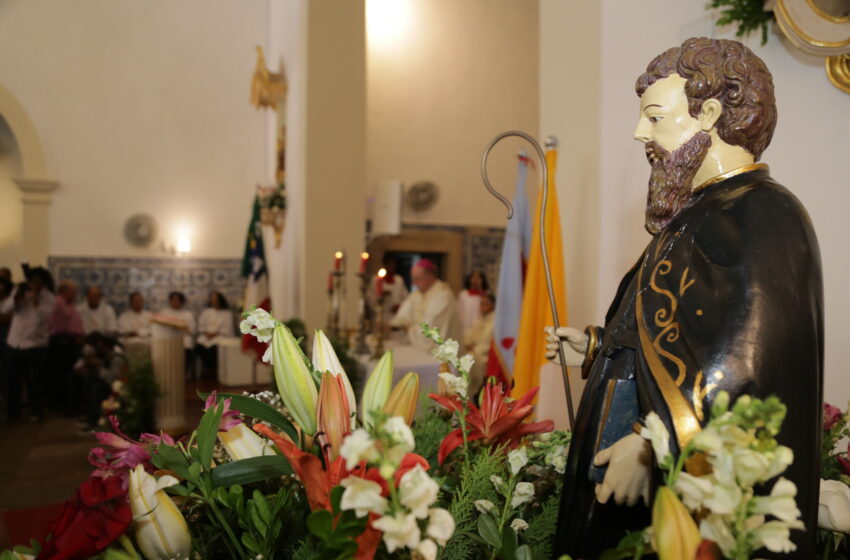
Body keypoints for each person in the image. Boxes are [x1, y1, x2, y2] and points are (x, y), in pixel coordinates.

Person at [546, 38, 822, 558]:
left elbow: (749, 364)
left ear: (711, 114)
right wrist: (600, 347)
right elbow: (685, 333)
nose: (638, 133)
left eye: (654, 117)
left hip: (677, 494)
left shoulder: (763, 215)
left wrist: (656, 446)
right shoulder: (699, 215)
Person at [6, 267, 56, 422]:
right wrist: (17, 297)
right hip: (14, 342)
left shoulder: (49, 298)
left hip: (35, 345)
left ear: (44, 283)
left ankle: (37, 412)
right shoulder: (20, 291)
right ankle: (13, 413)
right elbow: (5, 308)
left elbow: (43, 316)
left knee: (35, 381)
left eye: (36, 282)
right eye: (31, 281)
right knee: (12, 380)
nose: (33, 284)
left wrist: (35, 298)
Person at [390, 259, 461, 352]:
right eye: (413, 278)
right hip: (417, 350)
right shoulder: (416, 294)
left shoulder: (443, 296)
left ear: (430, 276)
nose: (413, 283)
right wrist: (395, 324)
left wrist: (408, 328)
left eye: (417, 278)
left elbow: (430, 334)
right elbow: (402, 318)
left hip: (440, 356)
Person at [74, 333, 128, 431]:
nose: (97, 350)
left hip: (118, 388)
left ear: (106, 347)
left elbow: (114, 380)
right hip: (107, 386)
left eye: (99, 347)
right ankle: (92, 417)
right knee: (87, 381)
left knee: (97, 387)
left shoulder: (117, 358)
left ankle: (96, 421)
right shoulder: (104, 356)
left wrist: (98, 366)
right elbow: (77, 368)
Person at [47, 279, 85, 413]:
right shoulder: (57, 303)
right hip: (62, 342)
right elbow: (59, 325)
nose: (75, 294)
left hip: (71, 342)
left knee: (70, 374)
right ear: (65, 291)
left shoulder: (69, 304)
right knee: (62, 375)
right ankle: (62, 405)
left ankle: (70, 403)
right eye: (73, 291)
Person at [195, 291, 234, 379]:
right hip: (206, 336)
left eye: (216, 299)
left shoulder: (227, 313)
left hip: (219, 336)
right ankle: (208, 368)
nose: (214, 301)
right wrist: (206, 333)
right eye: (212, 299)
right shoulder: (206, 312)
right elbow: (201, 325)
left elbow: (227, 329)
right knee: (199, 347)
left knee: (214, 349)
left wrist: (214, 334)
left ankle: (214, 370)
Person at [462, 291, 495, 396]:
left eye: (485, 304)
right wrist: (466, 345)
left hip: (485, 359)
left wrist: (473, 350)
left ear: (493, 305)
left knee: (467, 361)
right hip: (474, 354)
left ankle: (469, 397)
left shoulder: (494, 321)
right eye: (481, 304)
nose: (482, 307)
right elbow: (468, 337)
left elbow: (485, 345)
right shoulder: (481, 320)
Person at [158, 291, 196, 376]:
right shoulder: (164, 312)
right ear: (170, 301)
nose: (175, 303)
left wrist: (181, 328)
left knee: (187, 344)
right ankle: (167, 373)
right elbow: (160, 328)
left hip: (184, 337)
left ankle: (183, 373)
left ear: (182, 302)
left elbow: (192, 330)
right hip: (168, 337)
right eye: (173, 300)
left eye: (177, 300)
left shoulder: (187, 314)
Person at [369, 255, 409, 325]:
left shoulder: (399, 280)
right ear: (385, 265)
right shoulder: (376, 280)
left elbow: (406, 298)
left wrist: (399, 307)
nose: (391, 267)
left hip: (395, 317)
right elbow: (370, 298)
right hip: (381, 316)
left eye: (393, 264)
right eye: (389, 264)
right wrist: (380, 295)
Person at [457, 270, 489, 337]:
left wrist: (480, 289)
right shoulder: (463, 294)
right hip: (465, 325)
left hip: (479, 325)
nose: (475, 280)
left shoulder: (485, 295)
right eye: (473, 277)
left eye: (478, 278)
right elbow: (459, 311)